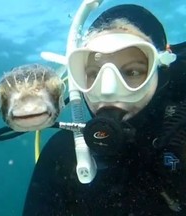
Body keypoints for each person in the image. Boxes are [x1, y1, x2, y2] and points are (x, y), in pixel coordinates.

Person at [22, 4, 186, 216]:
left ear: (160, 70)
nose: (108, 90)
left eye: (133, 71)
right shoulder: (64, 154)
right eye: (93, 73)